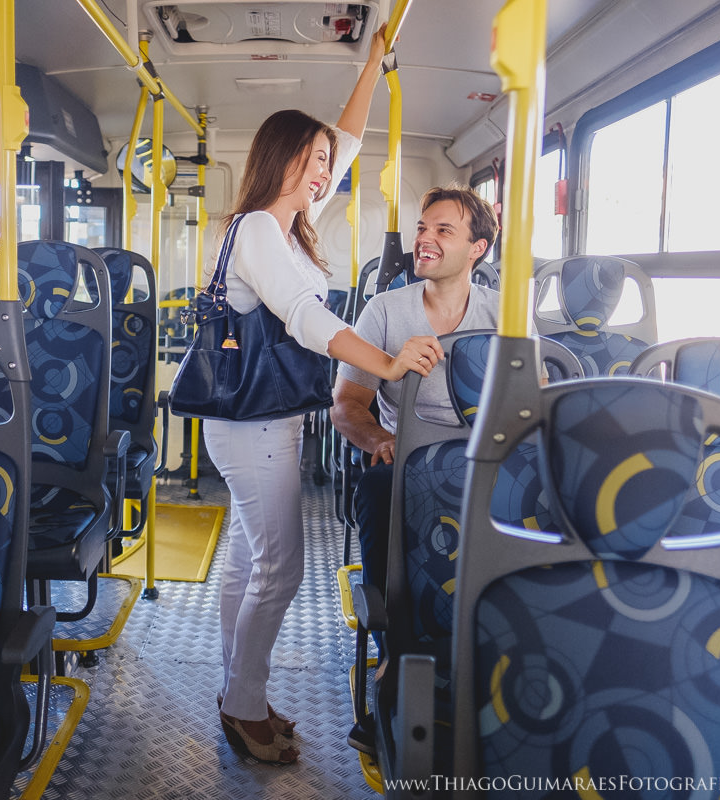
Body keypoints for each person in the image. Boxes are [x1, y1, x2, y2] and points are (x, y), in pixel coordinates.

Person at [205, 22, 430, 766]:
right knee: (281, 568)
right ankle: (243, 706)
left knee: (247, 558)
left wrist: (371, 64)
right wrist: (390, 364)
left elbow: (354, 138)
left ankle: (241, 690)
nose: (324, 172)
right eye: (312, 160)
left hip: (264, 421)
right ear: (280, 160)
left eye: (326, 164)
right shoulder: (262, 231)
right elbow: (306, 321)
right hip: (255, 425)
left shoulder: (288, 227)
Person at [330, 183, 501, 753]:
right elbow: (347, 406)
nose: (424, 240)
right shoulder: (386, 310)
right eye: (422, 228)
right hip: (406, 458)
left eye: (442, 231)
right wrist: (379, 438)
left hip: (486, 460)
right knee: (379, 487)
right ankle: (392, 653)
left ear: (477, 248)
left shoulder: (503, 315)